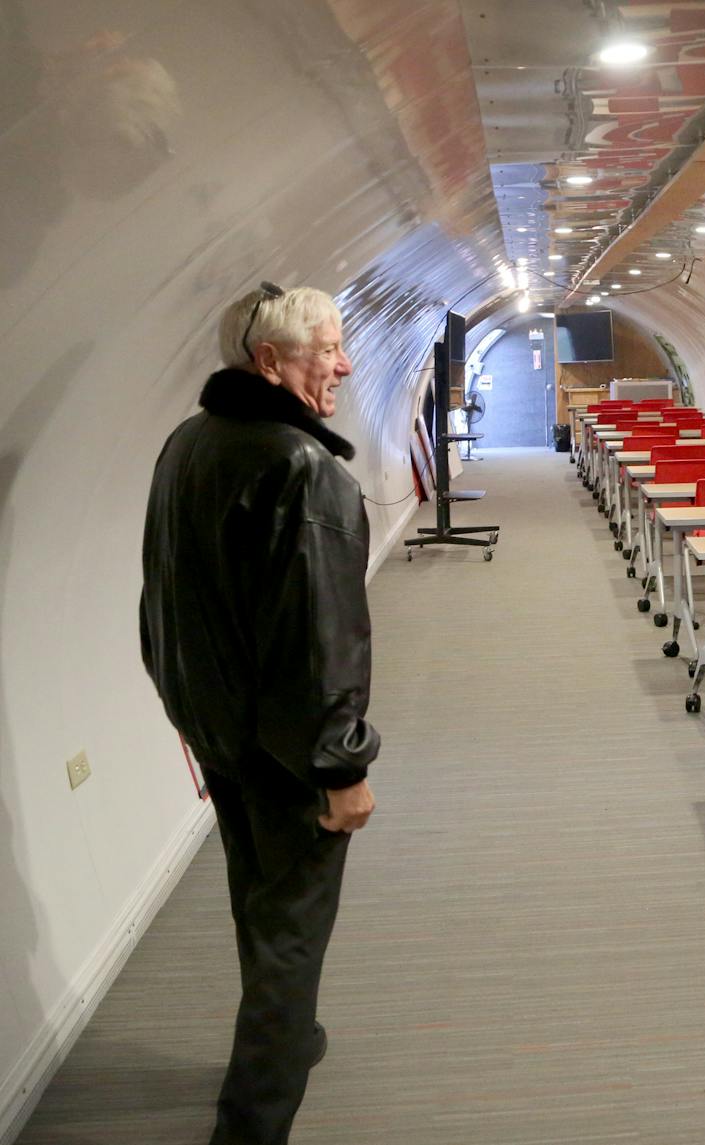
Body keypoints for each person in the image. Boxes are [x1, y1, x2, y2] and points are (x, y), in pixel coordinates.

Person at [139, 283, 378, 1145]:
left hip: (217, 731)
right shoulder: (304, 470)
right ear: (269, 362)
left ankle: (292, 1039)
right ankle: (250, 1125)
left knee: (257, 896)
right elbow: (324, 642)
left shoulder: (187, 443)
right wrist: (342, 767)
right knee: (291, 935)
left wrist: (184, 704)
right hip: (286, 752)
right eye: (328, 349)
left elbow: (162, 593)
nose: (345, 363)